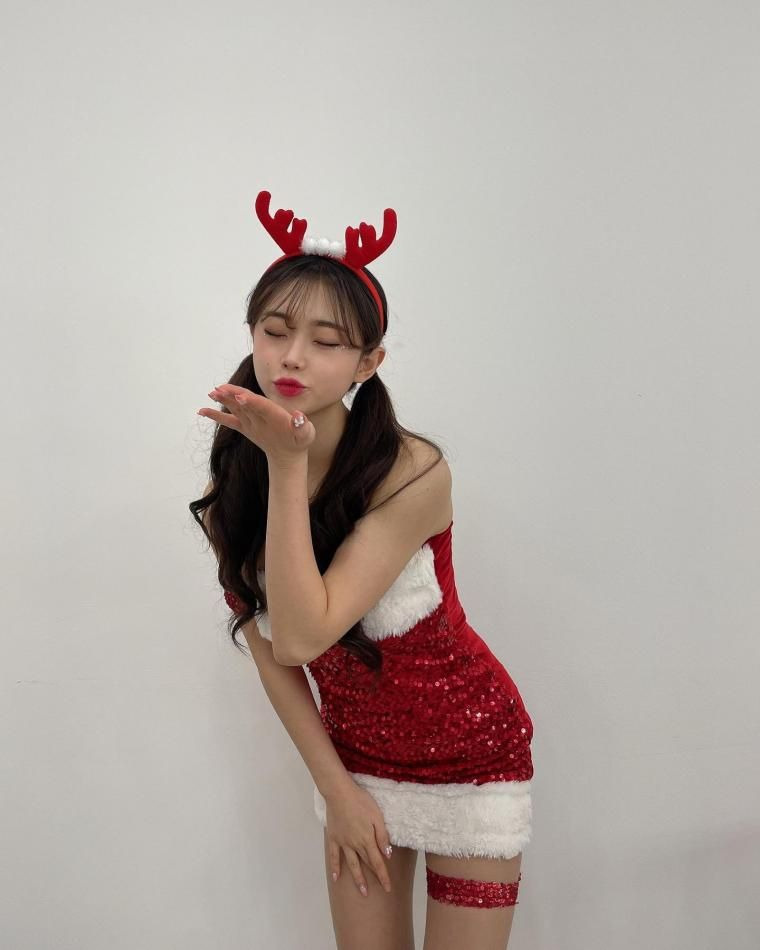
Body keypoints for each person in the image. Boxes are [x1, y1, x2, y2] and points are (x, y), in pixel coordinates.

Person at [189, 190, 534, 949]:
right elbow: (273, 650)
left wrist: (287, 465)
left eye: (327, 341)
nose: (292, 357)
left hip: (470, 753)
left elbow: (305, 634)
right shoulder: (236, 480)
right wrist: (336, 789)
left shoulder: (413, 471)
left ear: (367, 362)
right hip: (356, 762)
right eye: (274, 331)